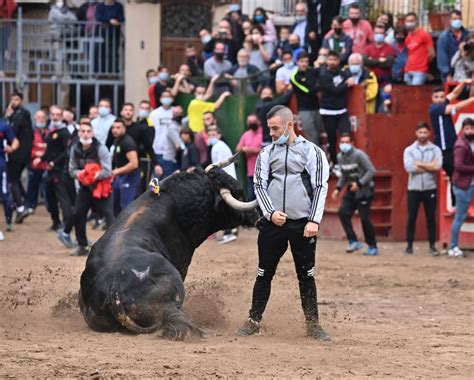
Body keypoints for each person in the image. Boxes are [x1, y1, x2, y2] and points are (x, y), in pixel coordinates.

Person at [236, 105, 330, 340]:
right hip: (272, 224)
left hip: (303, 225)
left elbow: (320, 186)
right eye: (269, 129)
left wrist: (314, 221)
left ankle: (313, 324)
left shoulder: (313, 152)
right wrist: (269, 213)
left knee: (306, 275)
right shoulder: (266, 153)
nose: (272, 133)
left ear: (290, 125)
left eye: (275, 128)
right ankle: (253, 320)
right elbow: (259, 184)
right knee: (263, 273)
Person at [58, 121, 114, 256]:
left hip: (101, 189)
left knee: (109, 217)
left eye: (88, 131)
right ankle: (82, 245)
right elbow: (71, 169)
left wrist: (93, 175)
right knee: (78, 214)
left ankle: (114, 247)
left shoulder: (101, 148)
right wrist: (81, 175)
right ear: (79, 133)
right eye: (83, 131)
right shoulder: (75, 148)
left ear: (93, 133)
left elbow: (108, 171)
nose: (85, 134)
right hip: (84, 188)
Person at [331, 133, 377, 256]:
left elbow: (371, 170)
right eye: (342, 142)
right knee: (343, 212)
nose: (344, 145)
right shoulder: (340, 157)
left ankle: (372, 245)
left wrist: (360, 184)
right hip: (351, 189)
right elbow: (344, 175)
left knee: (365, 219)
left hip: (364, 190)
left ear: (352, 143)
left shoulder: (359, 155)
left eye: (347, 142)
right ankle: (353, 240)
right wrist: (338, 189)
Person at [429, 82, 474, 206]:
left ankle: (457, 203)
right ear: (432, 98)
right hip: (444, 149)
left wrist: (464, 83)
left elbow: (454, 93)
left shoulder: (441, 104)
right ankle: (457, 203)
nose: (440, 99)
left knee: (455, 175)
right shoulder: (435, 108)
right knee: (455, 175)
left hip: (450, 146)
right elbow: (458, 106)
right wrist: (472, 98)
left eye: (442, 97)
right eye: (436, 97)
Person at [403, 122, 442, 256]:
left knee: (431, 218)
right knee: (411, 217)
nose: (423, 135)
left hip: (429, 188)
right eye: (421, 132)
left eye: (425, 133)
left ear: (429, 133)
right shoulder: (409, 150)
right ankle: (409, 245)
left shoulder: (435, 149)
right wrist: (428, 166)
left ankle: (432, 245)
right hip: (413, 188)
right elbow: (409, 168)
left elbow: (437, 167)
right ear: (416, 133)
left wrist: (419, 164)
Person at [36, 105, 74, 232]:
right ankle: (56, 222)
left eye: (58, 114)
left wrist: (53, 162)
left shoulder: (64, 132)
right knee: (50, 197)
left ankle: (67, 225)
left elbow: (67, 152)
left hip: (61, 171)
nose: (55, 117)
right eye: (53, 114)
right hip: (51, 170)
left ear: (62, 116)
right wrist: (41, 159)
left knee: (63, 198)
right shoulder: (50, 130)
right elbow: (49, 150)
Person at [319, 50, 354, 166]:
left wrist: (348, 80)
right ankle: (335, 163)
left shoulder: (343, 73)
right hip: (328, 112)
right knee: (332, 139)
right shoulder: (323, 75)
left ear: (338, 61)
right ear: (326, 61)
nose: (332, 62)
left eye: (335, 59)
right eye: (330, 59)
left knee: (346, 136)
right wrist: (346, 84)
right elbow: (334, 91)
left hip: (342, 111)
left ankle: (347, 162)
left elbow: (351, 79)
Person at [4, 91, 33, 223]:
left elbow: (11, 132)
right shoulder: (22, 114)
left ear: (21, 100)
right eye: (12, 99)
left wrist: (8, 118)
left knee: (13, 180)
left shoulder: (19, 114)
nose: (13, 102)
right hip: (23, 154)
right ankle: (25, 203)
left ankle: (21, 208)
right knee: (16, 180)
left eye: (16, 99)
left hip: (17, 154)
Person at [207, 126, 238, 244]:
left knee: (225, 208)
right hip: (227, 180)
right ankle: (231, 230)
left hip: (225, 181)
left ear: (219, 135)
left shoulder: (218, 147)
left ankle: (229, 233)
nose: (211, 137)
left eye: (213, 135)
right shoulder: (219, 146)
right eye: (209, 135)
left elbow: (219, 166)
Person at [448, 118, 474, 258]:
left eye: (472, 128)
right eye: (468, 129)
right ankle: (453, 247)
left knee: (460, 216)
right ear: (463, 130)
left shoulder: (469, 143)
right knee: (460, 217)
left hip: (469, 184)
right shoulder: (461, 146)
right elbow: (459, 166)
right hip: (463, 185)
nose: (470, 131)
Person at [290, 50, 323, 145]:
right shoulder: (295, 77)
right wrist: (324, 85)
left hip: (317, 107)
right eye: (301, 61)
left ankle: (320, 158)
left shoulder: (311, 71)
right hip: (305, 110)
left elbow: (323, 72)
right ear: (297, 62)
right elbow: (309, 91)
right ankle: (316, 159)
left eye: (306, 61)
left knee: (319, 136)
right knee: (312, 138)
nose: (304, 64)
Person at [363, 23, 397, 109]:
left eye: (381, 33)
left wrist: (372, 60)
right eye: (376, 33)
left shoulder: (390, 48)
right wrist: (380, 60)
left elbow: (388, 63)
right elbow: (364, 61)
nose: (378, 35)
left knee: (385, 106)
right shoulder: (368, 48)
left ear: (385, 35)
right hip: (371, 82)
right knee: (371, 106)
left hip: (385, 82)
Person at [128, 100, 160, 192]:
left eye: (146, 108)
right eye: (142, 108)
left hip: (145, 159)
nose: (144, 110)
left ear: (150, 110)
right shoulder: (136, 123)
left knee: (143, 185)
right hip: (134, 158)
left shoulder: (149, 126)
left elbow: (148, 144)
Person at [110, 118, 139, 215]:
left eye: (118, 128)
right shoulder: (117, 141)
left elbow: (134, 163)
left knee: (126, 208)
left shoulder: (127, 142)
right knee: (116, 205)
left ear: (124, 129)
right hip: (120, 177)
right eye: (113, 128)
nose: (115, 130)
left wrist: (116, 171)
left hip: (129, 177)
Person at [26, 110, 49, 214]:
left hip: (46, 164)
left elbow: (52, 148)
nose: (41, 119)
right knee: (32, 186)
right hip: (34, 163)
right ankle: (31, 205)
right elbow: (28, 148)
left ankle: (50, 208)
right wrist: (36, 154)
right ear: (35, 118)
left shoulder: (49, 132)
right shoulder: (31, 132)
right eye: (39, 117)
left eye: (43, 117)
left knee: (48, 188)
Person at [436, 10, 469, 83]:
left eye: (459, 19)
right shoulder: (444, 37)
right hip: (450, 73)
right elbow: (442, 58)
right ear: (450, 20)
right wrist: (447, 74)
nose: (457, 21)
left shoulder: (468, 35)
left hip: (467, 72)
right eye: (455, 19)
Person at [236, 114, 262, 201]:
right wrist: (244, 149)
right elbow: (238, 148)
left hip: (264, 170)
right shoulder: (246, 134)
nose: (252, 123)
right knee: (251, 197)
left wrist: (253, 150)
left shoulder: (264, 133)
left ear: (258, 121)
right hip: (251, 172)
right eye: (250, 122)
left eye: (254, 121)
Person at [403, 12, 434, 86]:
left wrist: (424, 65)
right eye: (407, 21)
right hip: (408, 70)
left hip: (420, 70)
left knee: (415, 94)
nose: (409, 23)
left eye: (412, 21)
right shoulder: (407, 38)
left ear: (416, 21)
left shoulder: (424, 35)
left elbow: (432, 54)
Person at [0, 118, 19, 237]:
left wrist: (11, 148)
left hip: (0, 164)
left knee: (4, 193)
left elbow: (15, 141)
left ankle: (8, 220)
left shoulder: (3, 126)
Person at [95, 0, 124, 73]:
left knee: (113, 53)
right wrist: (110, 20)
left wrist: (114, 21)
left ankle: (113, 72)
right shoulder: (100, 6)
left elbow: (121, 18)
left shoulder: (118, 6)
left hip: (114, 34)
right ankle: (100, 72)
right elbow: (99, 17)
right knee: (100, 53)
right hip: (101, 34)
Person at [149, 90, 174, 173]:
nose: (166, 98)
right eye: (164, 96)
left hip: (171, 151)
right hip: (157, 150)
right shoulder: (154, 113)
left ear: (172, 99)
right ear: (160, 99)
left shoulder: (175, 112)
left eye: (168, 96)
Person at [160, 106, 184, 178]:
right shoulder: (172, 127)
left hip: (176, 160)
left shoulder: (180, 125)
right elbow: (180, 144)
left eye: (179, 113)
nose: (178, 114)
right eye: (176, 113)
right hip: (170, 160)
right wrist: (187, 149)